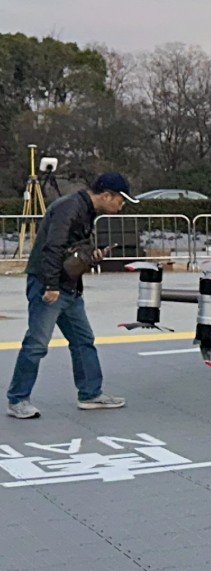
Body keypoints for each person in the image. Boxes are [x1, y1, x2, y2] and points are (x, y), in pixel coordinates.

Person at [7, 174, 136, 418]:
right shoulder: (69, 208)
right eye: (120, 200)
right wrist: (51, 285)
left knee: (83, 339)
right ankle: (18, 399)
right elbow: (53, 247)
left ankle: (90, 394)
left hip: (68, 285)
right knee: (37, 343)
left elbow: (71, 248)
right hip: (49, 285)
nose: (121, 206)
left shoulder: (85, 210)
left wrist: (91, 257)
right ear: (106, 195)